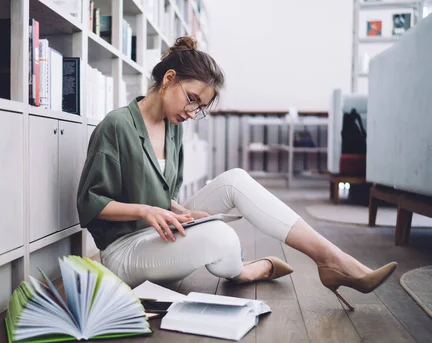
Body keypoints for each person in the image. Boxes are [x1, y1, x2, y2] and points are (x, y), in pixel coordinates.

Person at [76, 36, 397, 310]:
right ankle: (243, 272)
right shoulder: (117, 126)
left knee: (236, 180)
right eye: (191, 100)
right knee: (221, 237)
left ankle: (332, 259)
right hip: (125, 254)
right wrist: (146, 211)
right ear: (169, 79)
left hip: (157, 238)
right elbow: (90, 205)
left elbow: (162, 194)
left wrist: (181, 210)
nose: (192, 112)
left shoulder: (173, 129)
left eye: (199, 108)